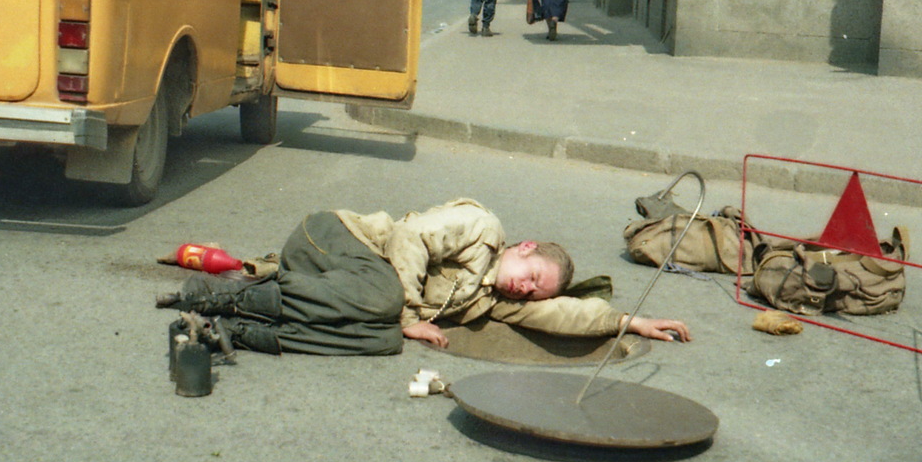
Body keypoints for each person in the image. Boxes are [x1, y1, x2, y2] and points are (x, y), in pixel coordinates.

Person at [156, 198, 692, 356]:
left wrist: (627, 321)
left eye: (534, 290)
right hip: (332, 239)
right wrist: (412, 313)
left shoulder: (492, 300)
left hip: (344, 286)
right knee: (389, 305)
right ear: (523, 247)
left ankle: (243, 329)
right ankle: (218, 291)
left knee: (383, 341)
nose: (526, 289)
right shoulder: (483, 229)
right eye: (531, 274)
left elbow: (563, 312)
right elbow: (410, 238)